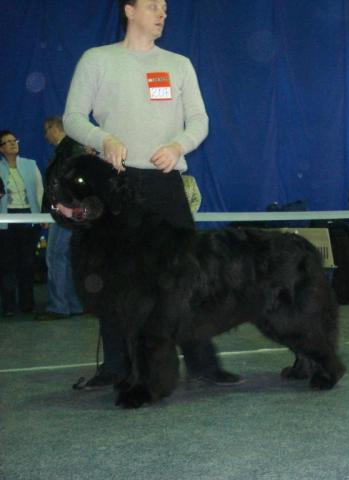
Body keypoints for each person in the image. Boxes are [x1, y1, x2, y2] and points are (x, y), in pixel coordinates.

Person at [63, 0, 241, 389]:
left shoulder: (179, 64)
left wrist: (178, 146)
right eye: (152, 6)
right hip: (116, 185)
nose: (162, 13)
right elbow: (72, 117)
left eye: (164, 7)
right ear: (129, 10)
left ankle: (203, 364)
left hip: (165, 184)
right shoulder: (98, 59)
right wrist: (102, 137)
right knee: (114, 279)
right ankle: (116, 366)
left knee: (187, 277)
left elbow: (199, 120)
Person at [35, 117, 85, 321]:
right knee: (65, 258)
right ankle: (73, 304)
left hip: (65, 213)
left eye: (46, 131)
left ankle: (59, 306)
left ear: (53, 128)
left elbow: (65, 183)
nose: (45, 136)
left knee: (55, 256)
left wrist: (61, 207)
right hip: (70, 212)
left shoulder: (67, 150)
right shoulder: (72, 148)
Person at [0, 130, 43, 317]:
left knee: (27, 263)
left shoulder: (30, 164)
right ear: (1, 149)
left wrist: (42, 216)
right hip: (5, 220)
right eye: (7, 142)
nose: (12, 144)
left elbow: (40, 190)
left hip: (28, 217)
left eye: (14, 140)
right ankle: (8, 306)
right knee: (7, 264)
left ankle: (27, 304)